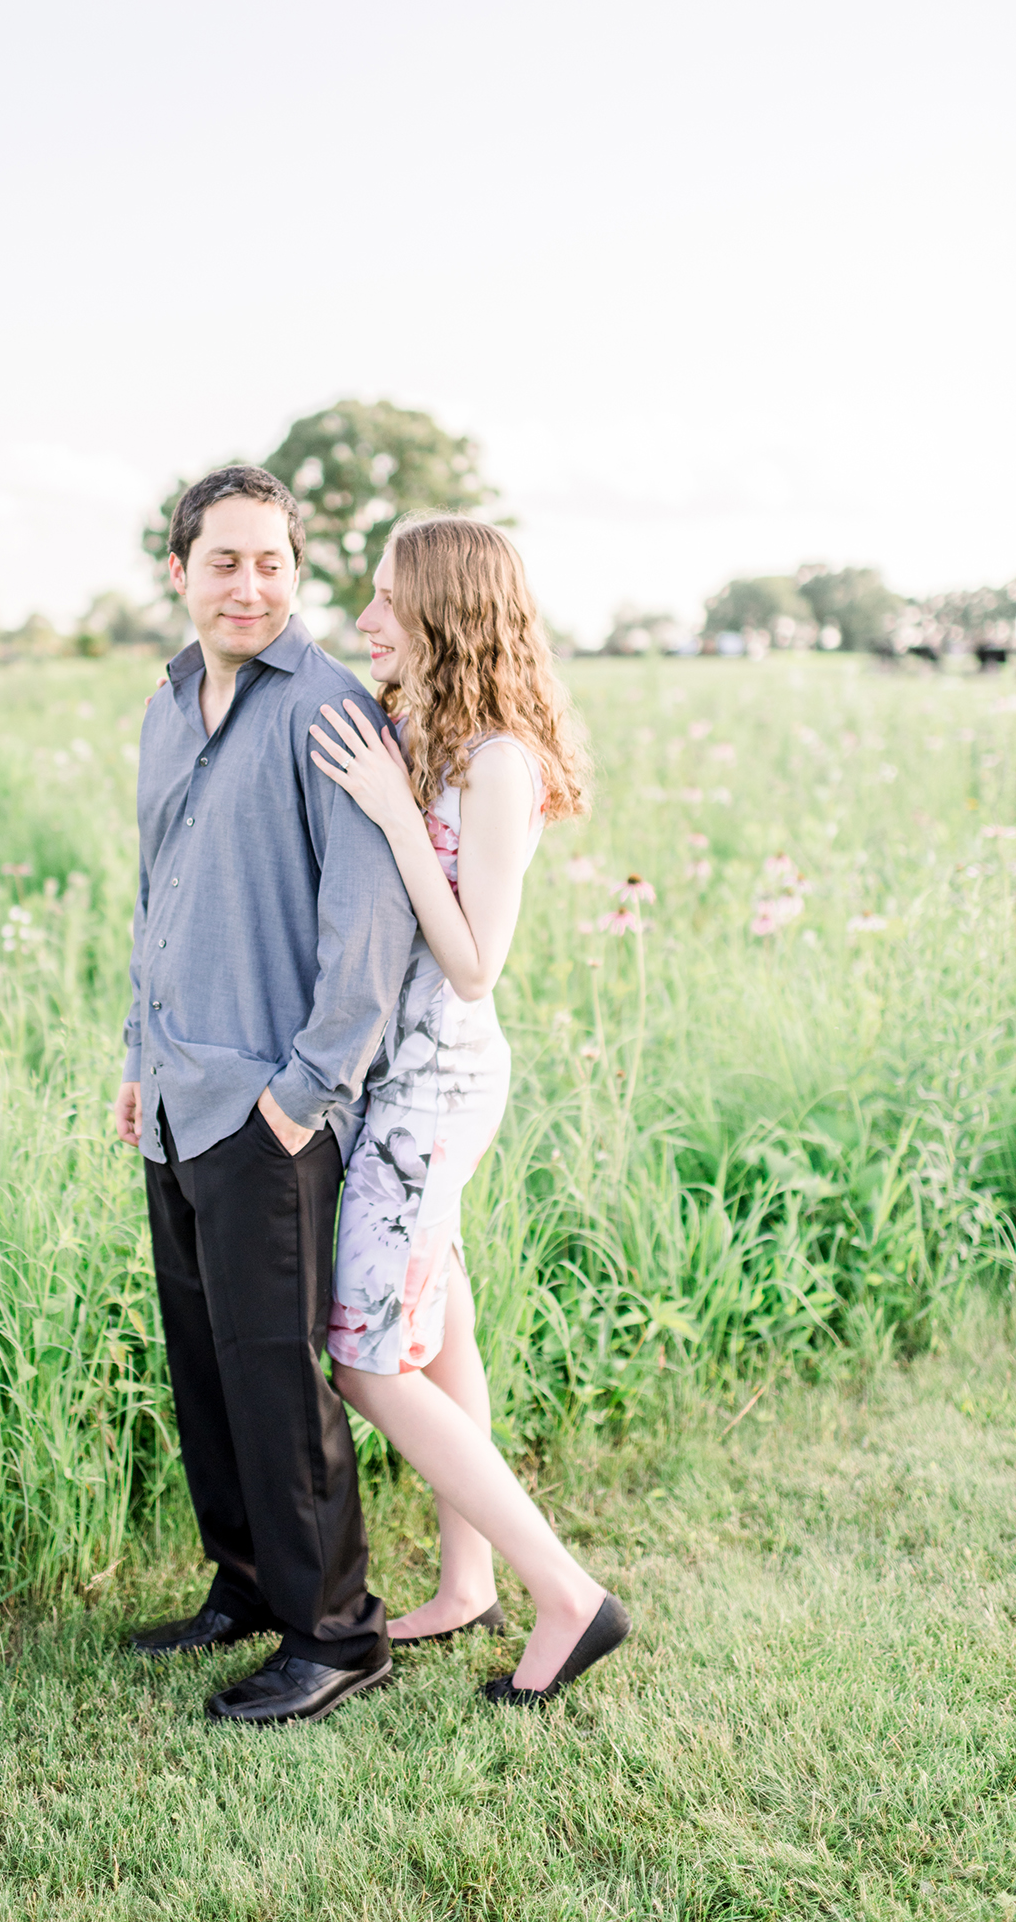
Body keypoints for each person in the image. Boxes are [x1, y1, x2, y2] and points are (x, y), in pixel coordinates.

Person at [307, 514, 631, 1706]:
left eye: (388, 598)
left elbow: (474, 960)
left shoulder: (493, 761)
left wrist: (398, 815)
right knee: (443, 1331)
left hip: (437, 1087)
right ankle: (467, 1582)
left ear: (443, 610)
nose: (364, 619)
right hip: (406, 1080)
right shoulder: (428, 732)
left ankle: (566, 1594)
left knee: (367, 1361)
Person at [114, 464, 416, 1726]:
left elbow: (368, 918)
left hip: (268, 1106)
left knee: (277, 1375)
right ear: (177, 571)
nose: (248, 584)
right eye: (223, 561)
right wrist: (137, 1060)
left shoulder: (331, 713)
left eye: (271, 563)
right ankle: (243, 1588)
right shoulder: (168, 705)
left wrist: (305, 1092)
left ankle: (336, 1634)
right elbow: (155, 894)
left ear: (298, 574)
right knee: (205, 1365)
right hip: (179, 1092)